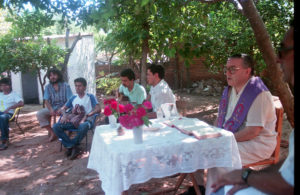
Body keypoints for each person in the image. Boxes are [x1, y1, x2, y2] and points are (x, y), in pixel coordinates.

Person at [210, 22, 294, 195]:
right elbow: (222, 120)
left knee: (216, 153)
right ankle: (211, 188)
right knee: (204, 149)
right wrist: (212, 133)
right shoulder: (230, 91)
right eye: (226, 69)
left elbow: (253, 132)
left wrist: (224, 139)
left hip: (258, 144)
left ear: (247, 72)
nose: (228, 73)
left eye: (233, 69)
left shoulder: (258, 93)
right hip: (239, 139)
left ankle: (219, 189)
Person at [53, 77, 101, 160]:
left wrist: (88, 115)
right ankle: (72, 147)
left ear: (85, 87)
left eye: (80, 86)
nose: (77, 88)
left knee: (83, 126)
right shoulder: (73, 97)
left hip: (86, 120)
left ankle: (70, 146)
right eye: (76, 86)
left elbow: (98, 109)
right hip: (73, 120)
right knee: (56, 126)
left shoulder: (90, 96)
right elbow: (62, 108)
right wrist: (64, 115)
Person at [36, 68, 73, 142]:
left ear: (58, 75)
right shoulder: (48, 87)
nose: (52, 77)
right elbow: (46, 100)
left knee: (67, 115)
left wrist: (62, 108)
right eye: (50, 75)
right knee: (40, 114)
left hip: (65, 108)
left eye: (54, 75)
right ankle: (53, 132)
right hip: (53, 108)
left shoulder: (66, 86)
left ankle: (66, 133)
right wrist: (50, 109)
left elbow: (70, 100)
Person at [0, 78, 24, 150]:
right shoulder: (0, 94)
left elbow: (21, 103)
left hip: (9, 114)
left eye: (5, 85)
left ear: (9, 86)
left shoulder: (14, 94)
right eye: (1, 85)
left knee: (2, 118)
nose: (3, 87)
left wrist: (10, 108)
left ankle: (4, 141)